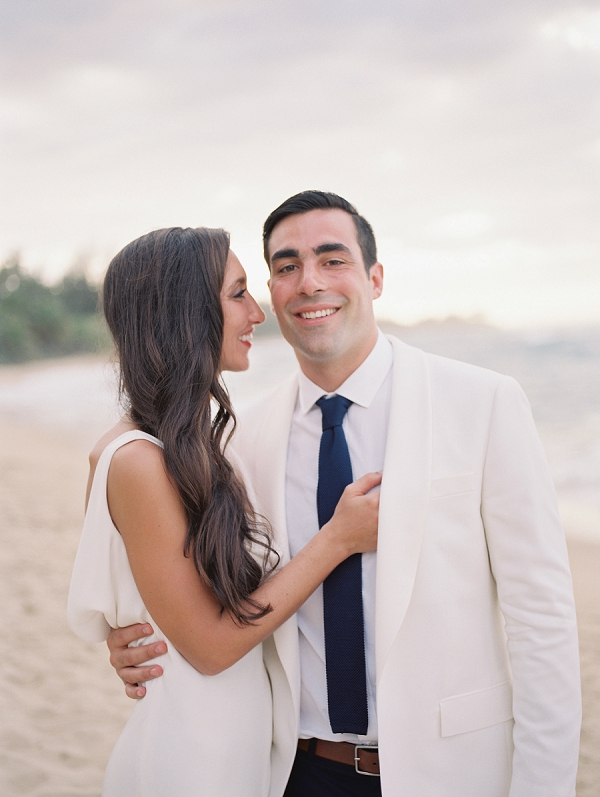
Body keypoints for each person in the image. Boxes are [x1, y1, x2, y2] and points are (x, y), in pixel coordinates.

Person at [108, 194, 581, 797]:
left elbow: (541, 620)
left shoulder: (483, 403)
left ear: (374, 279)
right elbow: (210, 596)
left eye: (333, 260)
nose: (309, 283)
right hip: (296, 772)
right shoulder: (239, 443)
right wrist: (142, 641)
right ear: (272, 291)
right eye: (285, 268)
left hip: (453, 772)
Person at [67, 225, 381, 797]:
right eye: (238, 293)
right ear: (186, 313)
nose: (257, 312)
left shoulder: (198, 448)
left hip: (243, 750)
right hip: (192, 757)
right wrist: (338, 539)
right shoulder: (138, 459)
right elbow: (209, 647)